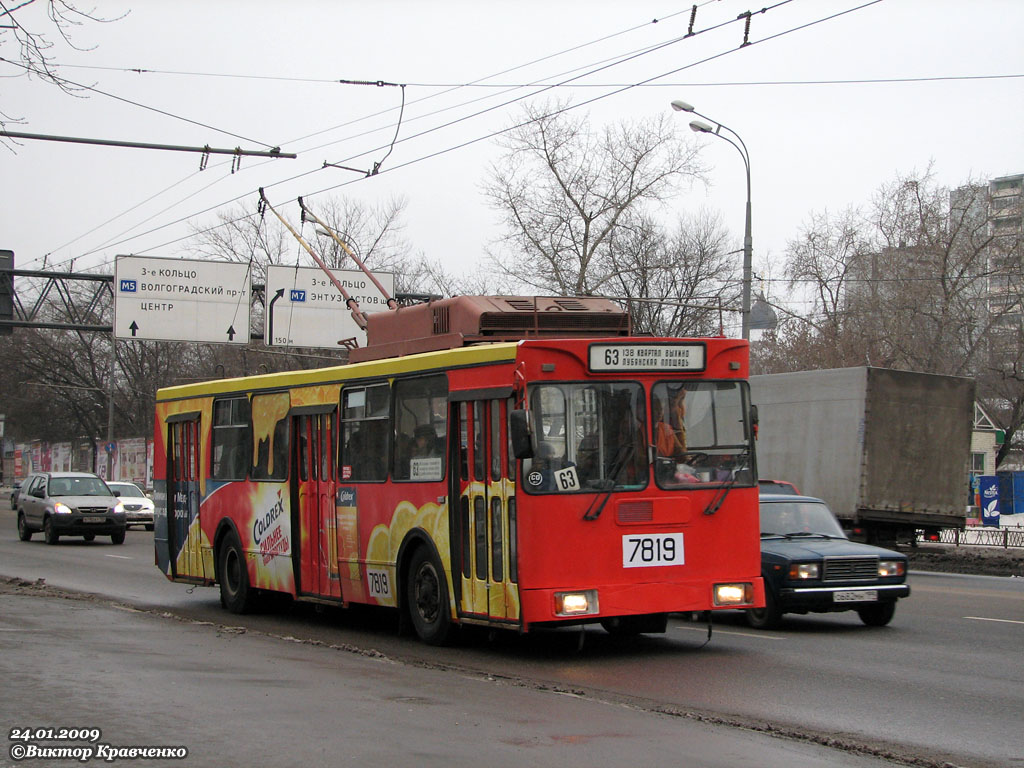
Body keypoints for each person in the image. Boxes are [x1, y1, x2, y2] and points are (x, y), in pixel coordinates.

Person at [656, 387, 688, 460]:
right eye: (678, 401)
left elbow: (682, 453)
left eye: (682, 400)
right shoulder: (663, 429)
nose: (682, 407)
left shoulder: (668, 429)